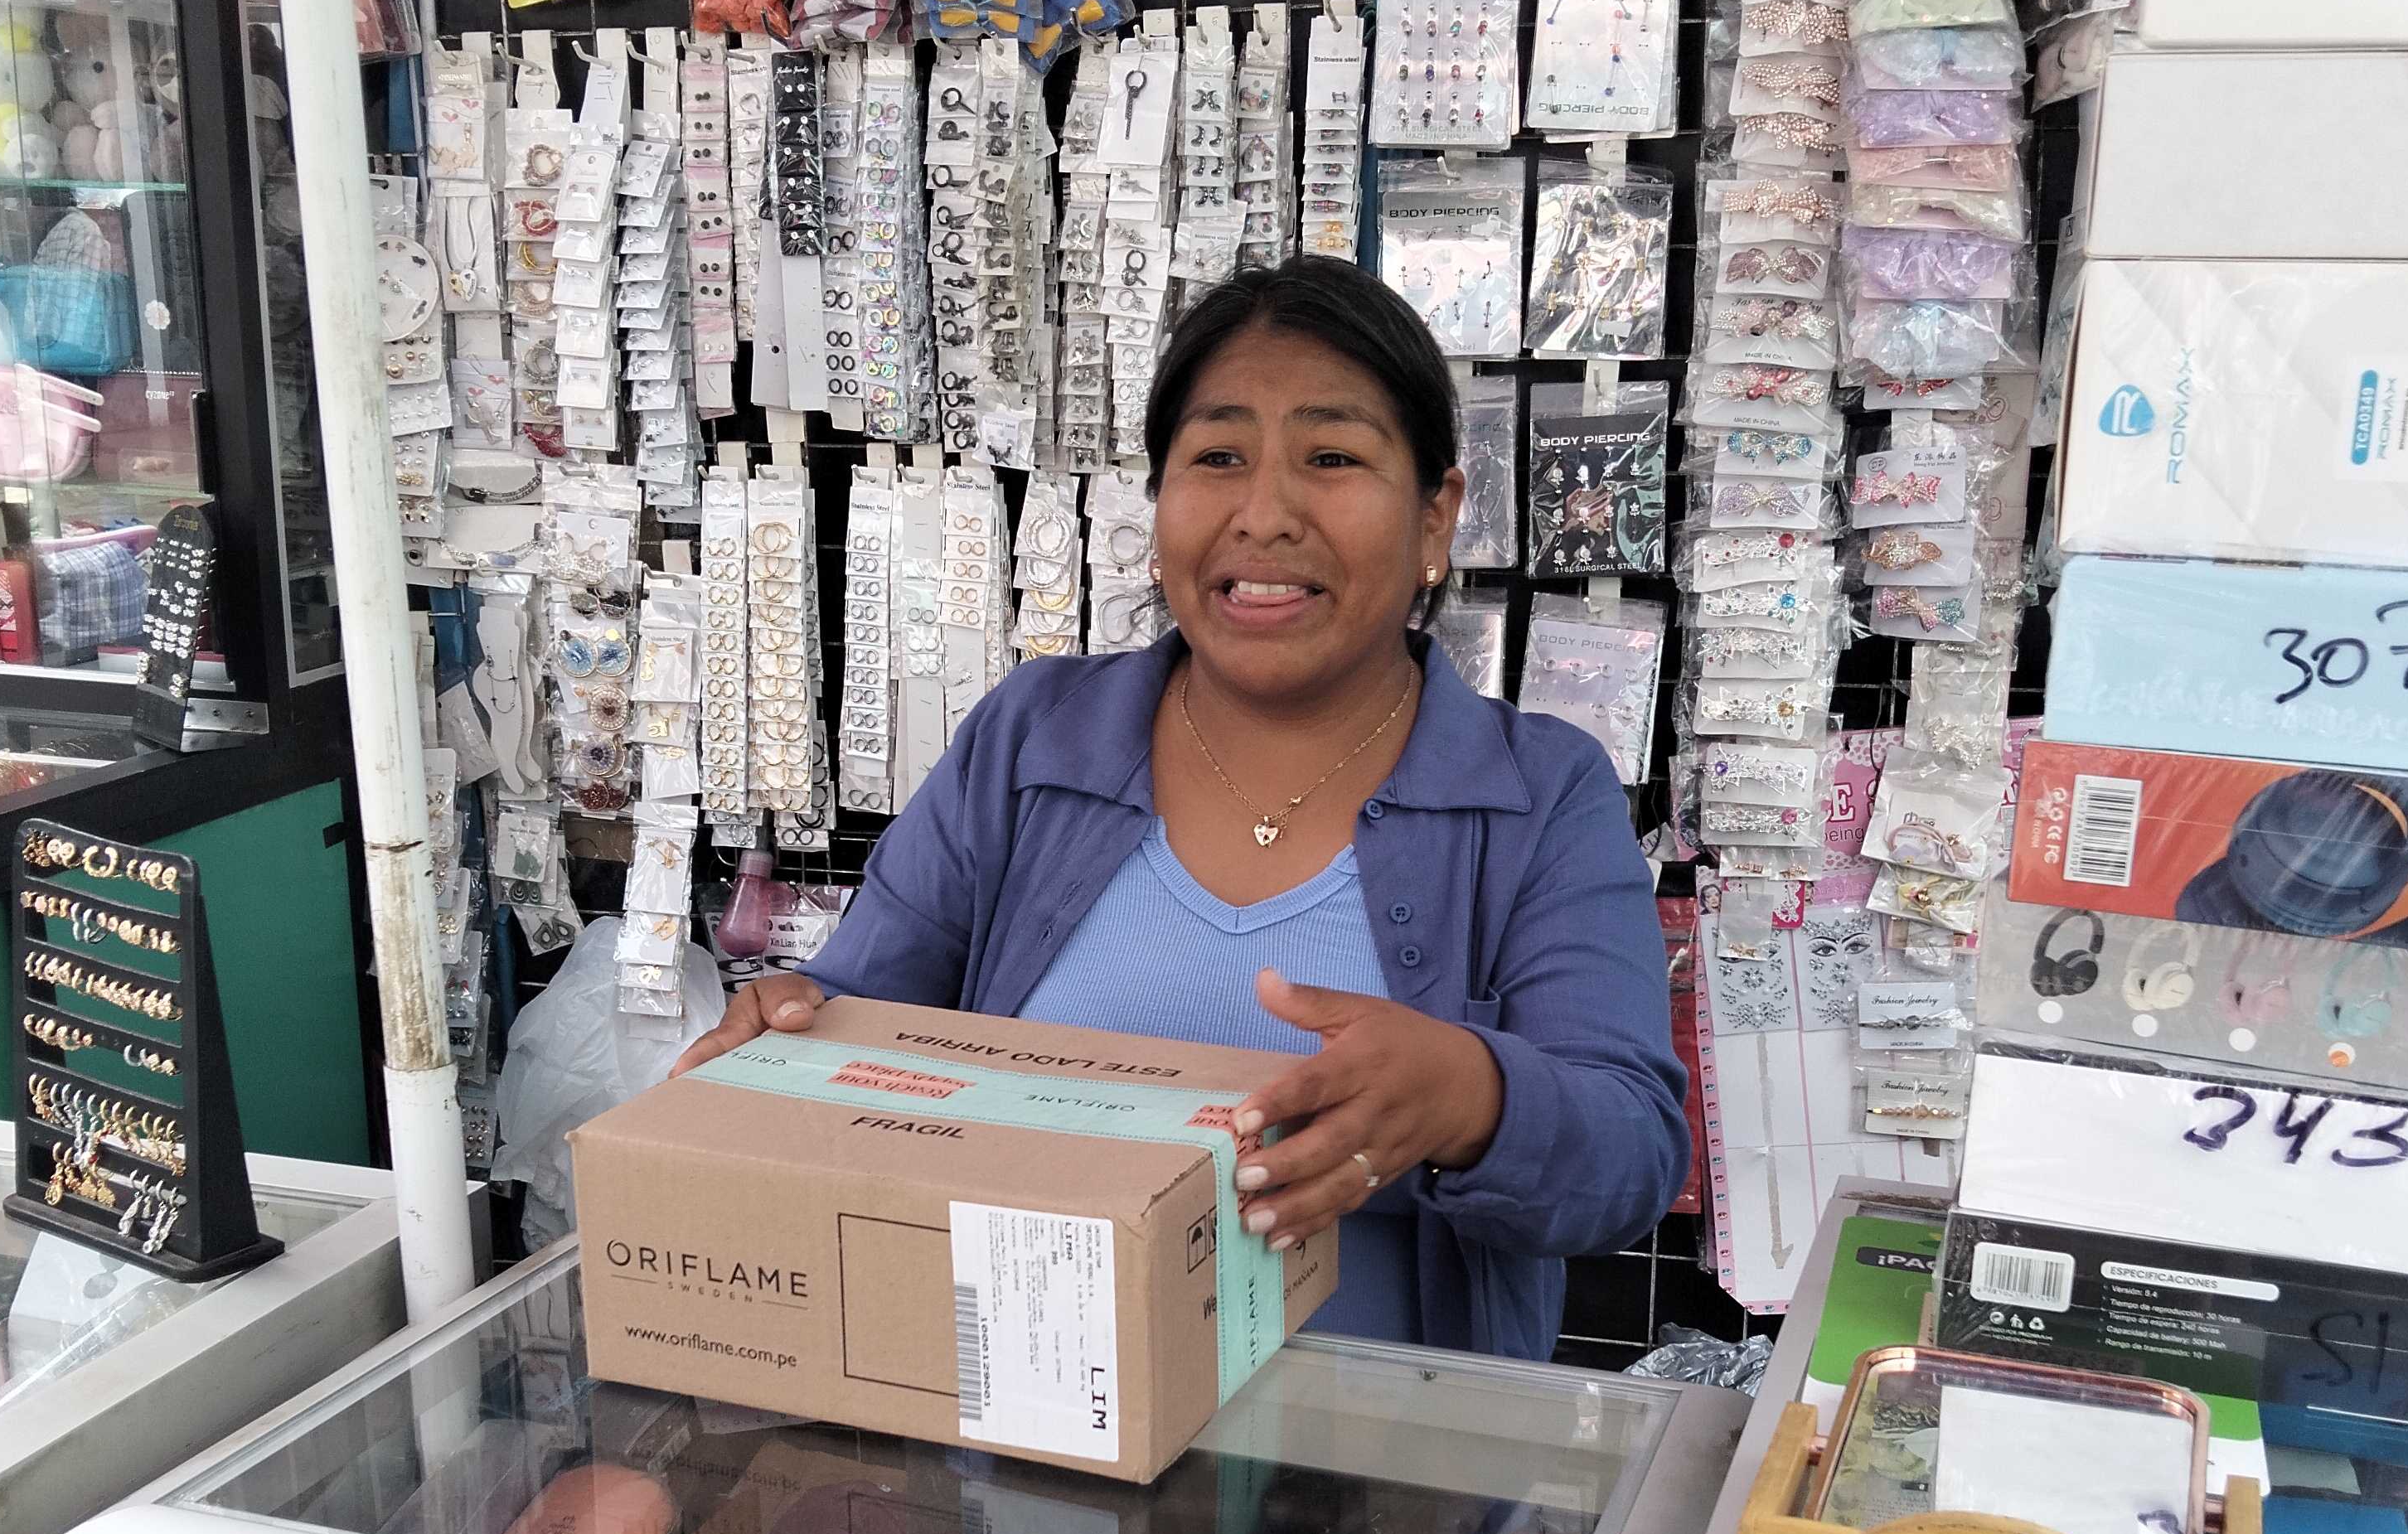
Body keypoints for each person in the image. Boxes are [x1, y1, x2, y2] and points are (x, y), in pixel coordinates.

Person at [676, 254, 1689, 1361]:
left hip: (1386, 1458)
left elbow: (1631, 1156)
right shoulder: (1033, 740)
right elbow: (867, 1007)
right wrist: (795, 1026)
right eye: (1217, 458)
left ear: (1436, 518)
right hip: (1026, 1419)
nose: (1265, 514)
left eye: (1332, 457)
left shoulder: (1540, 796)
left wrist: (1473, 1098)